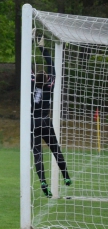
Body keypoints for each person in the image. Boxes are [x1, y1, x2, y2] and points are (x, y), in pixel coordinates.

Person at [31, 34, 72, 198]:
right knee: (55, 150)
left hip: (33, 122)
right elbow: (51, 65)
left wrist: (30, 40)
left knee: (37, 153)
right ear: (48, 79)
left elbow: (29, 71)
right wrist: (42, 46)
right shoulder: (50, 86)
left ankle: (43, 182)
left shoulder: (32, 84)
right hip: (45, 121)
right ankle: (66, 176)